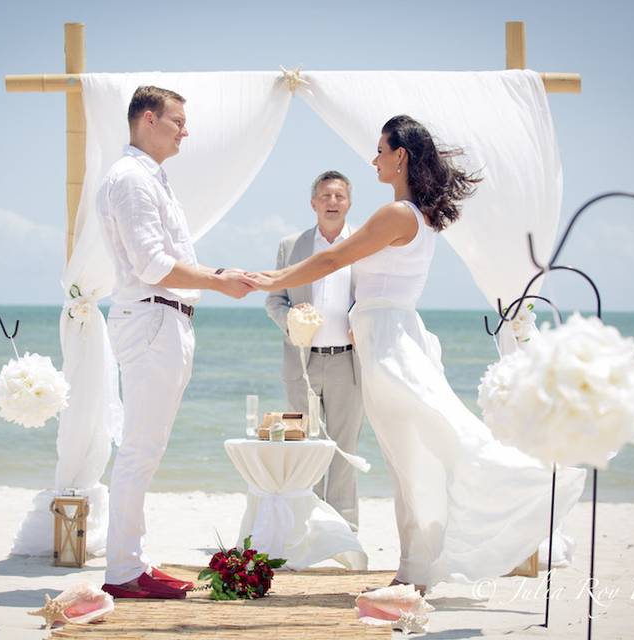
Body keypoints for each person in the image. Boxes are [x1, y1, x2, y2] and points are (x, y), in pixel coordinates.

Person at [251, 115, 585, 591]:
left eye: (381, 151)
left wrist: (270, 279)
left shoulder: (397, 215)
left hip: (388, 342)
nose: (375, 160)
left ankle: (424, 565)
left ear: (400, 156)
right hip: (388, 334)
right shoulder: (417, 214)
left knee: (414, 457)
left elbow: (330, 260)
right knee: (409, 458)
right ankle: (414, 569)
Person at [97, 85, 256, 599]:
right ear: (148, 119)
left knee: (148, 447)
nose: (185, 131)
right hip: (151, 319)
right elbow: (152, 265)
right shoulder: (131, 181)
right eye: (177, 121)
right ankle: (122, 571)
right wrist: (218, 278)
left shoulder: (150, 179)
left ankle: (132, 562)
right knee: (139, 450)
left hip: (164, 320)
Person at [265, 170, 364, 531]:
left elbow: (373, 299)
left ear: (349, 202)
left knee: (344, 449)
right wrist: (291, 319)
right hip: (302, 364)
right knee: (305, 448)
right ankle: (303, 527)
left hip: (348, 364)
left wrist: (362, 320)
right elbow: (274, 299)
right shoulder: (291, 247)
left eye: (339, 196)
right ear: (313, 203)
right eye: (325, 196)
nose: (332, 202)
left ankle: (343, 530)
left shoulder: (364, 246)